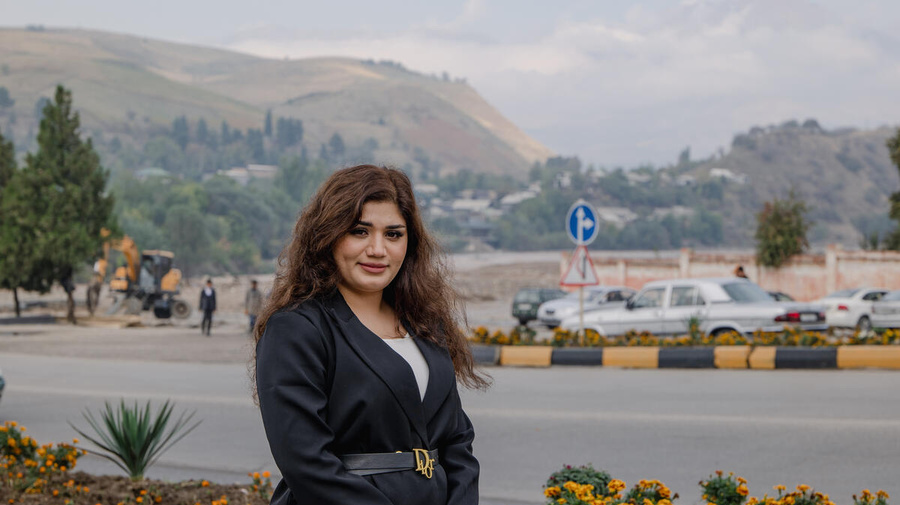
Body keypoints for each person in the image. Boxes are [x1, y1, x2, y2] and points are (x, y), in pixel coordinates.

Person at [253, 164, 487, 505]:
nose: (378, 249)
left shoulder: (424, 323)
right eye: (360, 231)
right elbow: (306, 462)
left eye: (393, 234)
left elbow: (457, 438)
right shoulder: (296, 329)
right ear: (327, 236)